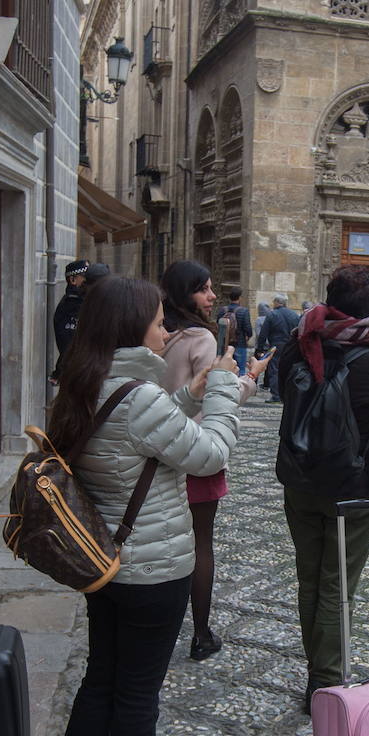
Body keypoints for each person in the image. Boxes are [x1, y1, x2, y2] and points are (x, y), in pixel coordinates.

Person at [47, 276, 243, 736]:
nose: (165, 331)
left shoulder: (84, 385)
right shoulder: (139, 395)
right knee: (136, 694)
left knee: (99, 683)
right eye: (158, 322)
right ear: (132, 328)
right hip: (153, 571)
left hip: (102, 564)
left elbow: (136, 439)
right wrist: (224, 389)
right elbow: (210, 454)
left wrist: (192, 395)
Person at [274, 266, 369, 713]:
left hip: (301, 481)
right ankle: (324, 682)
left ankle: (318, 671)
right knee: (336, 587)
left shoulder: (301, 342)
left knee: (310, 580)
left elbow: (281, 387)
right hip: (353, 490)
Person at [159, 260, 269, 662]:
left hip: (158, 447)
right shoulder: (200, 338)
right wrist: (251, 379)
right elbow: (216, 393)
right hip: (196, 447)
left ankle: (157, 627)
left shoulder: (156, 334)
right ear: (185, 293)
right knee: (200, 544)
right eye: (203, 289)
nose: (211, 296)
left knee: (161, 540)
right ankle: (201, 633)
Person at [51, 260, 90, 381]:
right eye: (85, 277)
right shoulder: (70, 306)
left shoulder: (83, 301)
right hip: (77, 374)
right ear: (73, 280)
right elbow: (69, 346)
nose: (88, 281)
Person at [260, 294, 300, 403]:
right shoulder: (294, 315)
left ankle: (276, 396)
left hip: (276, 346)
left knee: (275, 370)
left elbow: (263, 333)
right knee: (289, 370)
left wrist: (259, 348)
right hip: (291, 346)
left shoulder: (272, 315)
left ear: (277, 302)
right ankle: (287, 395)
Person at [223, 287, 253, 369]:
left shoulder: (223, 310)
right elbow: (248, 330)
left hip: (225, 344)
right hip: (240, 343)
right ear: (239, 297)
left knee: (225, 369)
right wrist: (248, 337)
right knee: (240, 370)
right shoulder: (244, 311)